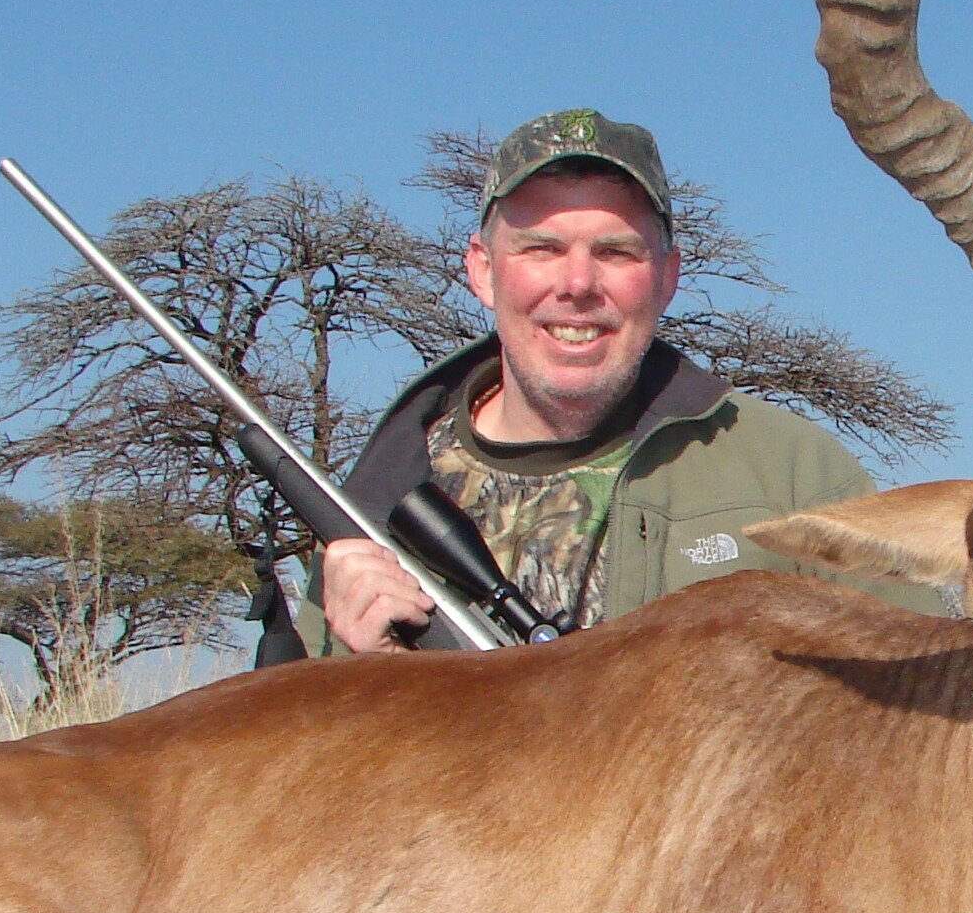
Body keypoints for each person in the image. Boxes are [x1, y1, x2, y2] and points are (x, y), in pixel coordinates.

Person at [317, 108, 931, 650]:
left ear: (667, 276)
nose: (578, 284)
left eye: (616, 252)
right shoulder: (375, 500)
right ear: (481, 271)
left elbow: (923, 717)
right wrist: (356, 674)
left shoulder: (796, 476)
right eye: (541, 249)